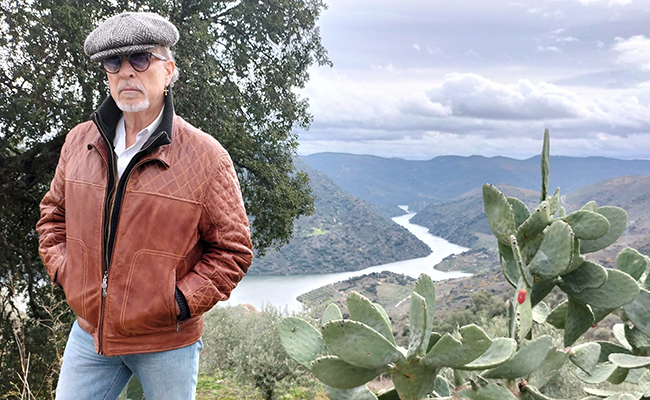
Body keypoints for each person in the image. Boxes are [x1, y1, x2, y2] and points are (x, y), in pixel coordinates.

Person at [35, 11, 254, 399]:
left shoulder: (207, 157)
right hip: (91, 334)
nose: (126, 72)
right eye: (113, 62)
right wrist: (69, 274)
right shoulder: (79, 142)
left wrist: (176, 303)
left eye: (140, 59)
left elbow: (233, 252)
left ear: (168, 71)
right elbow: (53, 218)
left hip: (166, 343)